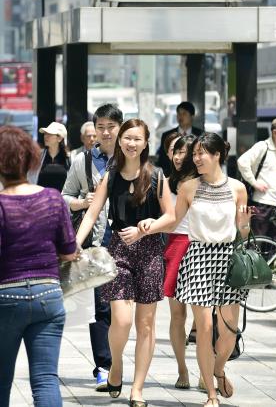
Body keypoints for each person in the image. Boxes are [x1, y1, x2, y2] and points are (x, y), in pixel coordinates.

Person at [139, 132, 253, 407]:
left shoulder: (238, 188)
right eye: (196, 154)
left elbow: (243, 232)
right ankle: (211, 395)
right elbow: (173, 221)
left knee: (229, 329)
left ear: (217, 156)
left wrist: (245, 223)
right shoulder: (189, 187)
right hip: (198, 256)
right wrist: (148, 227)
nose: (196, 158)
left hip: (229, 257)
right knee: (204, 326)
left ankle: (218, 370)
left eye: (202, 153)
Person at [76, 118, 175, 407]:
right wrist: (74, 244)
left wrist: (149, 225)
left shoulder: (157, 176)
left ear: (145, 143)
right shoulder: (112, 174)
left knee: (146, 325)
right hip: (118, 250)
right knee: (120, 319)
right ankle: (116, 365)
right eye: (127, 138)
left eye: (137, 138)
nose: (131, 143)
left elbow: (171, 217)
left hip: (150, 253)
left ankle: (138, 389)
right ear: (120, 141)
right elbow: (92, 214)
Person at [0, 125, 77, 407]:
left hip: (6, 297)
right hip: (49, 297)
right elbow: (70, 251)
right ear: (31, 159)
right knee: (45, 380)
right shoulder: (52, 198)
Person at [62, 104, 123, 391]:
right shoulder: (82, 161)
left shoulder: (131, 160)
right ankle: (104, 366)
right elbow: (64, 197)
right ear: (94, 130)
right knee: (99, 308)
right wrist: (81, 203)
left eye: (111, 126)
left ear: (120, 128)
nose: (106, 131)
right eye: (101, 127)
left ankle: (118, 364)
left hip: (127, 244)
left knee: (121, 310)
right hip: (96, 245)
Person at [163, 134, 197, 390]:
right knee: (177, 314)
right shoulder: (165, 183)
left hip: (198, 245)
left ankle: (210, 370)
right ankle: (182, 369)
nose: (177, 157)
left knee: (203, 316)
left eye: (183, 152)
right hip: (173, 245)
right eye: (174, 151)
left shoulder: (203, 183)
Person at [237, 116, 276, 242]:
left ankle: (270, 263)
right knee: (257, 243)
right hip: (262, 204)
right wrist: (254, 182)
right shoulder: (263, 146)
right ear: (275, 132)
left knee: (274, 245)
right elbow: (242, 162)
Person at [156, 101, 203, 176]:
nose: (180, 116)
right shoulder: (167, 135)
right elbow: (162, 160)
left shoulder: (200, 135)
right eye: (178, 113)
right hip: (171, 176)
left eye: (184, 113)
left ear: (192, 116)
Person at [29, 121, 70, 192]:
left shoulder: (70, 158)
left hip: (62, 201)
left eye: (50, 134)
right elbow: (30, 178)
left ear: (59, 138)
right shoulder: (37, 156)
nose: (46, 136)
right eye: (45, 134)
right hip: (41, 200)